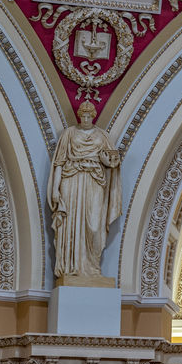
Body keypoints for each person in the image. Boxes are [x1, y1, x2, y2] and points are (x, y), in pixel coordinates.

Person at [49, 100, 122, 281]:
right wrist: (55, 189)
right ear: (79, 115)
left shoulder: (102, 136)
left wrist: (109, 161)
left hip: (94, 181)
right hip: (71, 180)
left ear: (94, 116)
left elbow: (112, 161)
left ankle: (91, 266)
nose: (86, 119)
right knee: (70, 222)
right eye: (83, 115)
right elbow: (59, 162)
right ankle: (70, 266)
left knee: (94, 225)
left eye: (89, 116)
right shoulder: (69, 134)